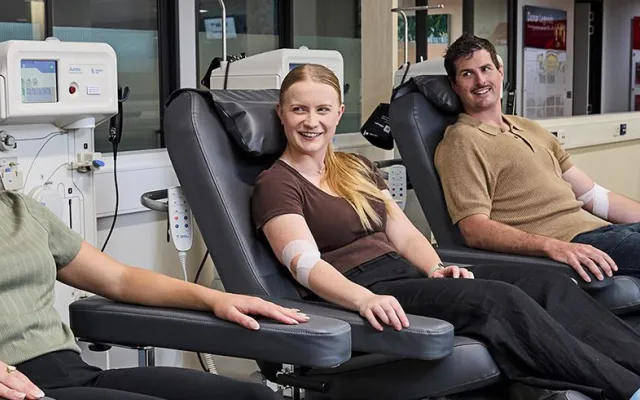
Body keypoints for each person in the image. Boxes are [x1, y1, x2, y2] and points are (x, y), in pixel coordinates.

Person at [251, 62, 640, 400]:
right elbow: (304, 264)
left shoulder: (355, 167)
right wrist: (362, 300)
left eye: (321, 109)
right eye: (299, 109)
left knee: (547, 284)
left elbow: (402, 233)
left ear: (339, 113)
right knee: (497, 301)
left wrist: (436, 268)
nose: (311, 121)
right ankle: (627, 389)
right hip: (360, 287)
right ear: (281, 113)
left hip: (403, 273)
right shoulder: (277, 183)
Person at [0, 191, 309, 400]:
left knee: (252, 397)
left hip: (71, 371)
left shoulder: (19, 211)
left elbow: (119, 279)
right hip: (13, 386)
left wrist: (214, 299)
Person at [434, 34, 640, 284]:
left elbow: (592, 195)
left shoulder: (528, 127)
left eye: (486, 69)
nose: (480, 81)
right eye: (467, 74)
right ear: (455, 86)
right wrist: (553, 247)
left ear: (500, 72)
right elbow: (474, 229)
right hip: (572, 244)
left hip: (600, 232)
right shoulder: (461, 141)